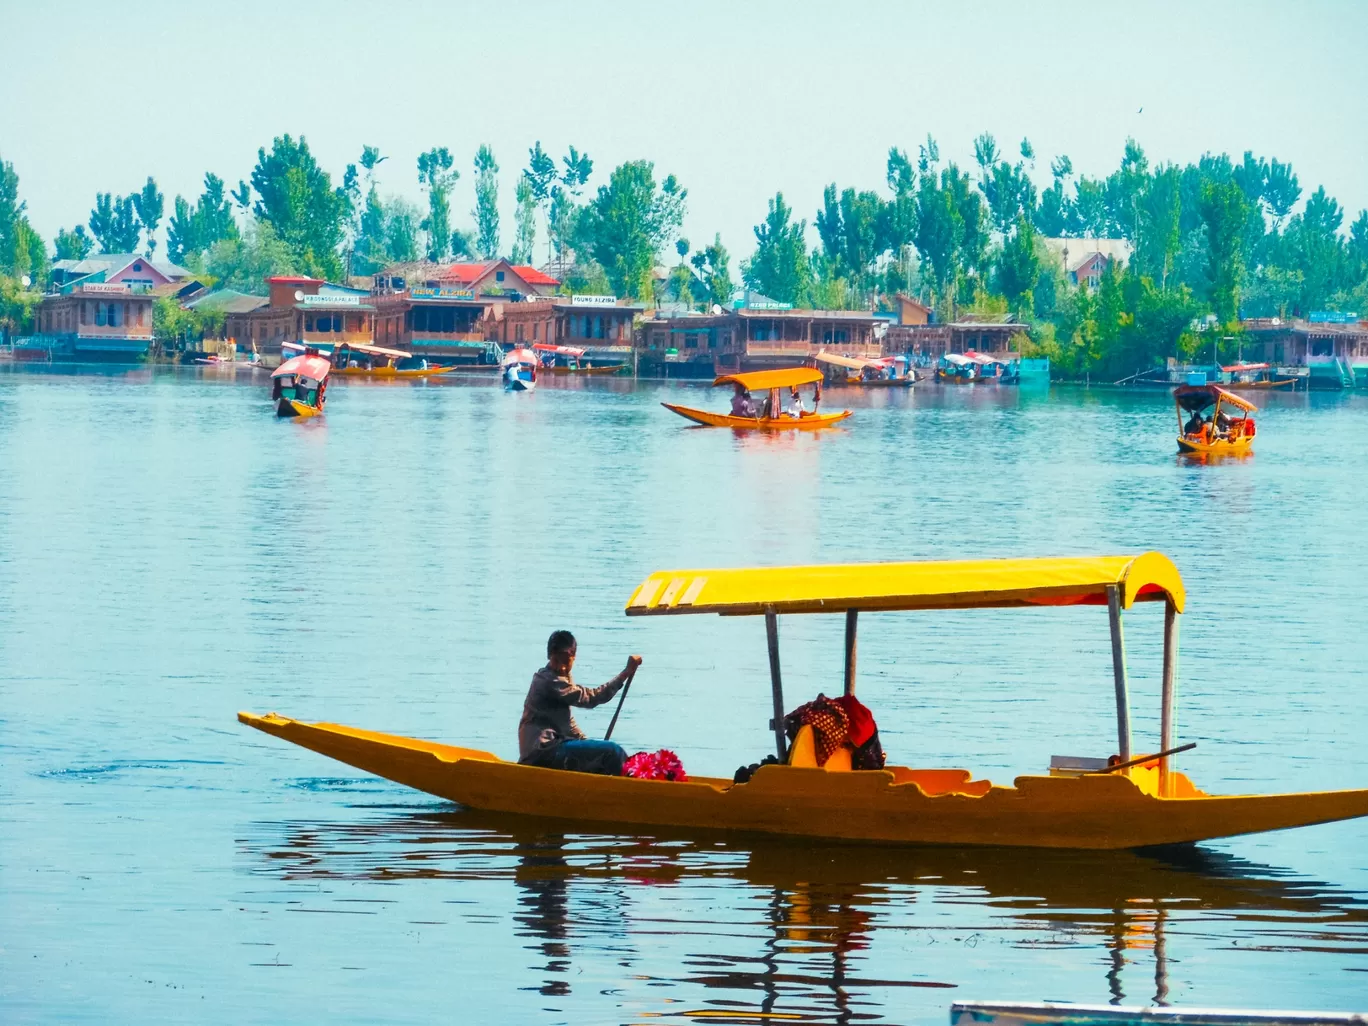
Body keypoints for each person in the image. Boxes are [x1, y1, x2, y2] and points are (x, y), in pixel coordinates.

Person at [518, 630, 642, 775]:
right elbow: (591, 698)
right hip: (542, 751)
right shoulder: (548, 681)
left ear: (574, 658)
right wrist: (625, 673)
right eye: (556, 661)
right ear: (549, 656)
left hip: (549, 749)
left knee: (603, 755)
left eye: (566, 662)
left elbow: (568, 724)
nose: (561, 667)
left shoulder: (562, 678)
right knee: (612, 751)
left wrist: (587, 743)